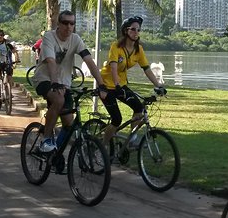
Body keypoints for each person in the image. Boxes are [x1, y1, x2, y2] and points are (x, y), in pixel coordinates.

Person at [30, 11, 102, 154]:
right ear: (59, 24)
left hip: (64, 83)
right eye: (65, 23)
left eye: (72, 23)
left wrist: (102, 84)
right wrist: (55, 83)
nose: (69, 27)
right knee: (58, 99)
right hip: (44, 79)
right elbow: (51, 61)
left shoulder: (75, 39)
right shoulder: (49, 37)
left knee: (69, 123)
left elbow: (88, 60)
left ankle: (55, 152)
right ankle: (46, 139)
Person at [97, 16, 166, 144]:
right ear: (126, 31)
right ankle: (103, 146)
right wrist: (117, 84)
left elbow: (147, 69)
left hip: (120, 85)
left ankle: (131, 138)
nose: (136, 32)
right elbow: (113, 67)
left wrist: (158, 85)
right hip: (107, 86)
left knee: (139, 109)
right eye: (133, 29)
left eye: (138, 30)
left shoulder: (138, 49)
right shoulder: (116, 46)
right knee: (117, 119)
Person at [0, 29, 19, 100]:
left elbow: (14, 52)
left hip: (6, 62)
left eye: (1, 35)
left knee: (9, 75)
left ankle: (9, 92)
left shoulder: (7, 44)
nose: (0, 36)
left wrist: (16, 59)